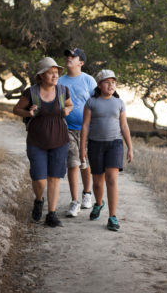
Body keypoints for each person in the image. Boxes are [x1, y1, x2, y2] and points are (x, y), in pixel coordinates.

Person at [13, 57, 73, 227]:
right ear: (41, 76)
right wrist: (29, 114)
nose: (55, 76)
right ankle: (39, 200)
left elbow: (70, 105)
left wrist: (67, 109)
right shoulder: (30, 93)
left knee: (54, 178)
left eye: (56, 73)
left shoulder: (63, 91)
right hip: (36, 141)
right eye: (50, 73)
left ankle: (51, 214)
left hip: (60, 140)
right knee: (39, 179)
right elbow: (16, 109)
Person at [80, 69, 133, 231]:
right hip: (95, 145)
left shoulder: (119, 103)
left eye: (113, 83)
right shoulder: (91, 102)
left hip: (115, 144)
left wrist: (130, 147)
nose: (111, 85)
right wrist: (82, 148)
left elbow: (124, 126)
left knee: (111, 179)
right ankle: (98, 203)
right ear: (99, 84)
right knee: (97, 182)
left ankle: (112, 217)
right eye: (107, 82)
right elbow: (85, 125)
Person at [58, 48, 97, 217]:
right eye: (68, 56)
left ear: (81, 62)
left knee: (84, 162)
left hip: (86, 130)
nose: (69, 58)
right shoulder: (59, 81)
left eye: (73, 57)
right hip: (66, 128)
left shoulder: (88, 80)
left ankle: (87, 193)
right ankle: (75, 202)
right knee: (72, 163)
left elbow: (96, 103)